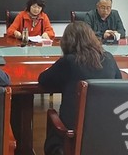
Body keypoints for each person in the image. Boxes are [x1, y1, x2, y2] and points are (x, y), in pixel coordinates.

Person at [38, 22, 122, 155]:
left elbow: (43, 80)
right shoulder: (109, 58)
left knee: (52, 116)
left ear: (67, 42)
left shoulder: (69, 61)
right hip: (106, 133)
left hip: (72, 135)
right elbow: (118, 84)